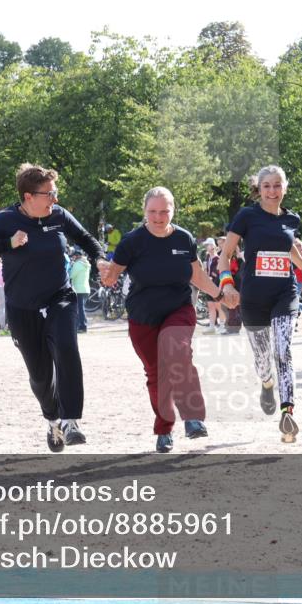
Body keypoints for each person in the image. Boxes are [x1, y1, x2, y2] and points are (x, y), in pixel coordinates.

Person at [0, 163, 109, 452]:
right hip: (22, 308)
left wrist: (100, 258)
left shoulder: (58, 216)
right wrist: (8, 242)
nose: (54, 199)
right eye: (49, 194)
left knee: (67, 349)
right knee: (40, 375)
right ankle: (53, 419)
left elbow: (85, 239)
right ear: (28, 196)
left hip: (60, 297)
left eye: (55, 192)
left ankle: (71, 421)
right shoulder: (5, 220)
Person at [102, 187, 223, 452]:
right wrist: (106, 274)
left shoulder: (184, 238)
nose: (158, 217)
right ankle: (164, 430)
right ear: (144, 212)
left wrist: (220, 294)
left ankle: (192, 417)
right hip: (143, 316)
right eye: (153, 212)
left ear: (173, 211)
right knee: (157, 375)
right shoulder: (132, 242)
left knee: (178, 353)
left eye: (164, 211)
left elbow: (198, 276)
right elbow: (112, 277)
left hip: (178, 309)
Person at [217, 165, 302, 444]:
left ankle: (288, 412)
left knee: (283, 350)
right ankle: (266, 383)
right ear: (259, 189)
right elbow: (225, 255)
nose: (272, 191)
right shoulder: (247, 216)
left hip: (284, 292)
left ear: (284, 188)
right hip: (253, 296)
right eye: (267, 186)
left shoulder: (292, 219)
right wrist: (227, 284)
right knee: (263, 360)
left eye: (277, 185)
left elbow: (288, 247)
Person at [69, 248, 91, 333]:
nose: (73, 258)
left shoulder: (77, 264)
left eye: (74, 256)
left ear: (77, 256)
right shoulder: (86, 264)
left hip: (79, 289)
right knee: (81, 308)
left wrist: (71, 267)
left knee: (80, 309)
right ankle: (80, 325)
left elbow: (71, 275)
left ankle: (83, 326)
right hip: (86, 289)